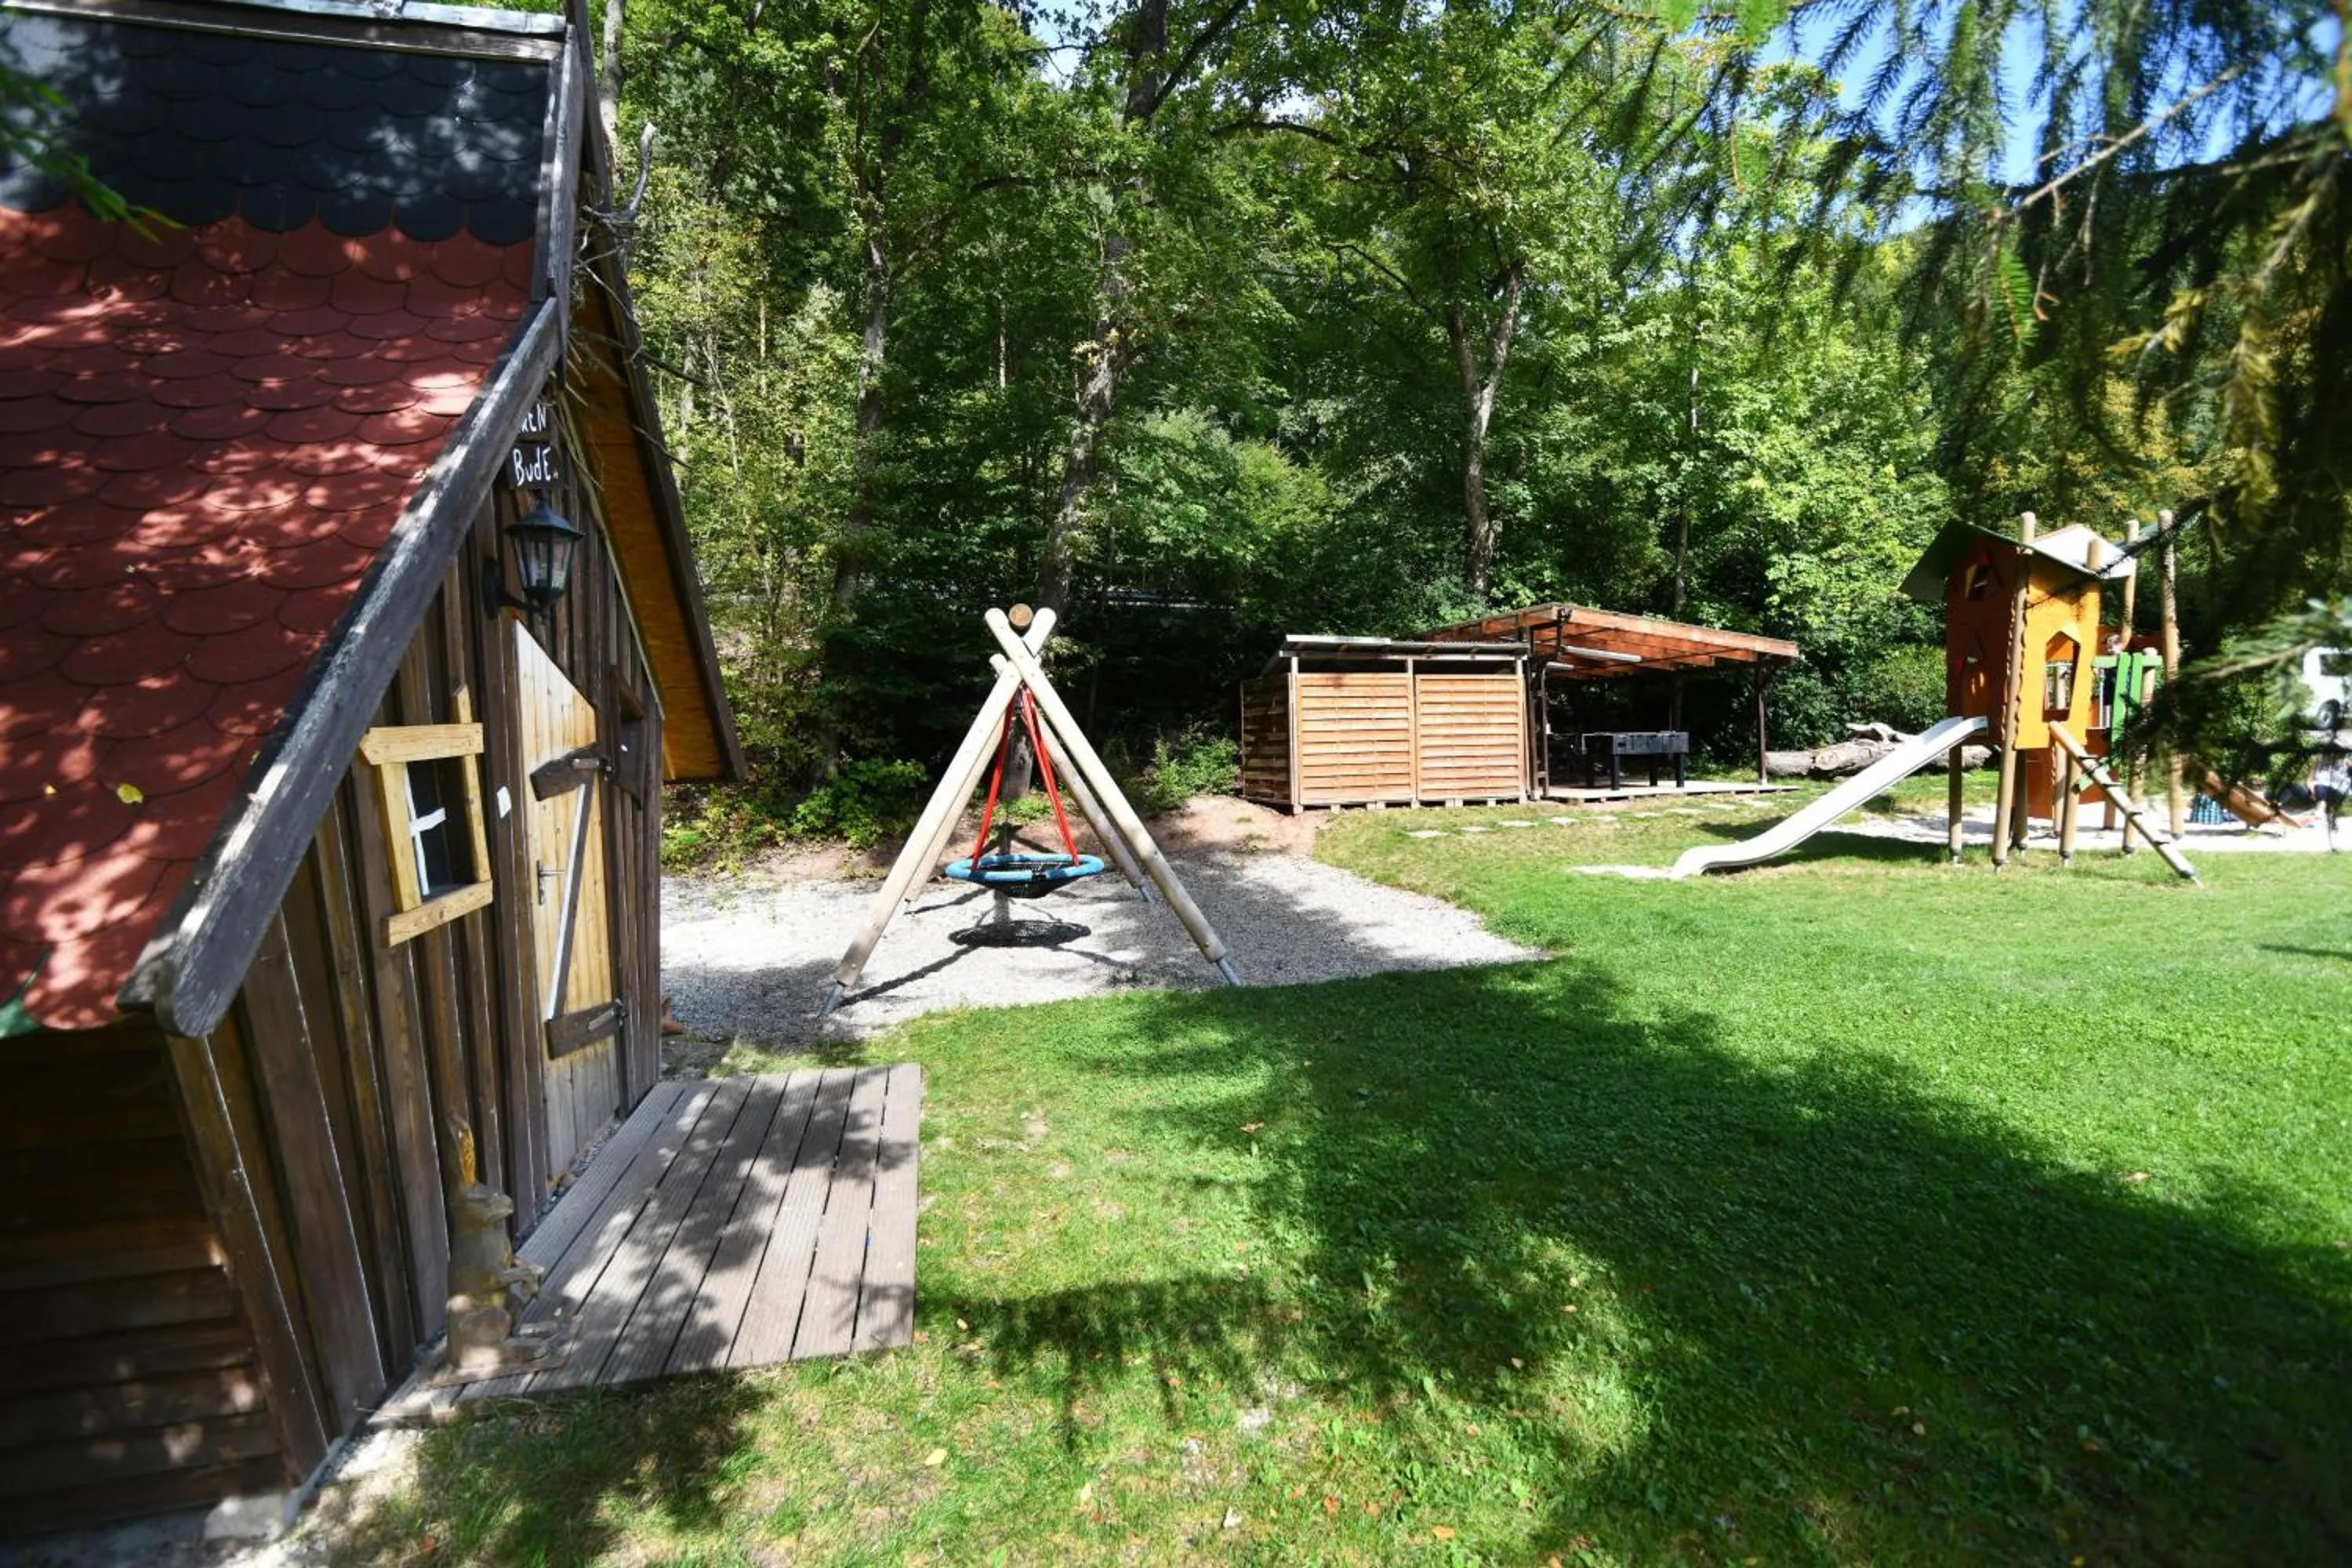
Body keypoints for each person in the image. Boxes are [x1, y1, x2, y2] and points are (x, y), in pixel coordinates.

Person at [2312, 746, 2349, 851]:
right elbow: (2311, 778)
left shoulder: (2344, 761)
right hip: (2322, 784)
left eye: (2335, 754)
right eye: (2330, 754)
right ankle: (2322, 813)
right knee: (2323, 795)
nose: (2332, 756)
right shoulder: (2319, 760)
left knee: (2330, 800)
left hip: (2338, 786)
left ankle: (2330, 817)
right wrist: (2312, 789)